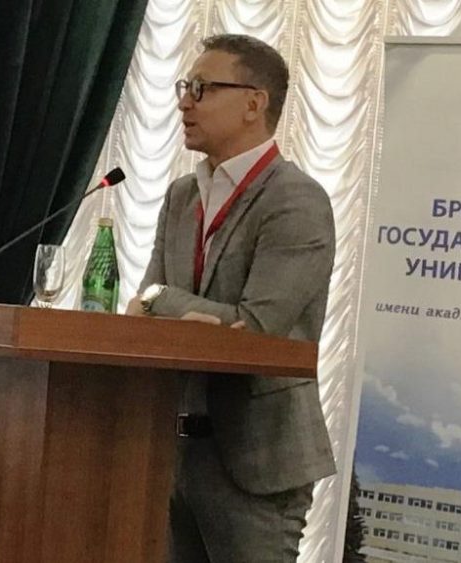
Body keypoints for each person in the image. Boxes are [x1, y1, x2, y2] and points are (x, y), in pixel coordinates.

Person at [125, 33, 337, 562]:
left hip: (256, 461)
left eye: (202, 88)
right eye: (184, 87)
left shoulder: (296, 200)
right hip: (172, 453)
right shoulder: (181, 195)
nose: (184, 102)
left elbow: (256, 330)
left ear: (253, 104)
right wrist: (164, 305)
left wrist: (161, 301)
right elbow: (139, 308)